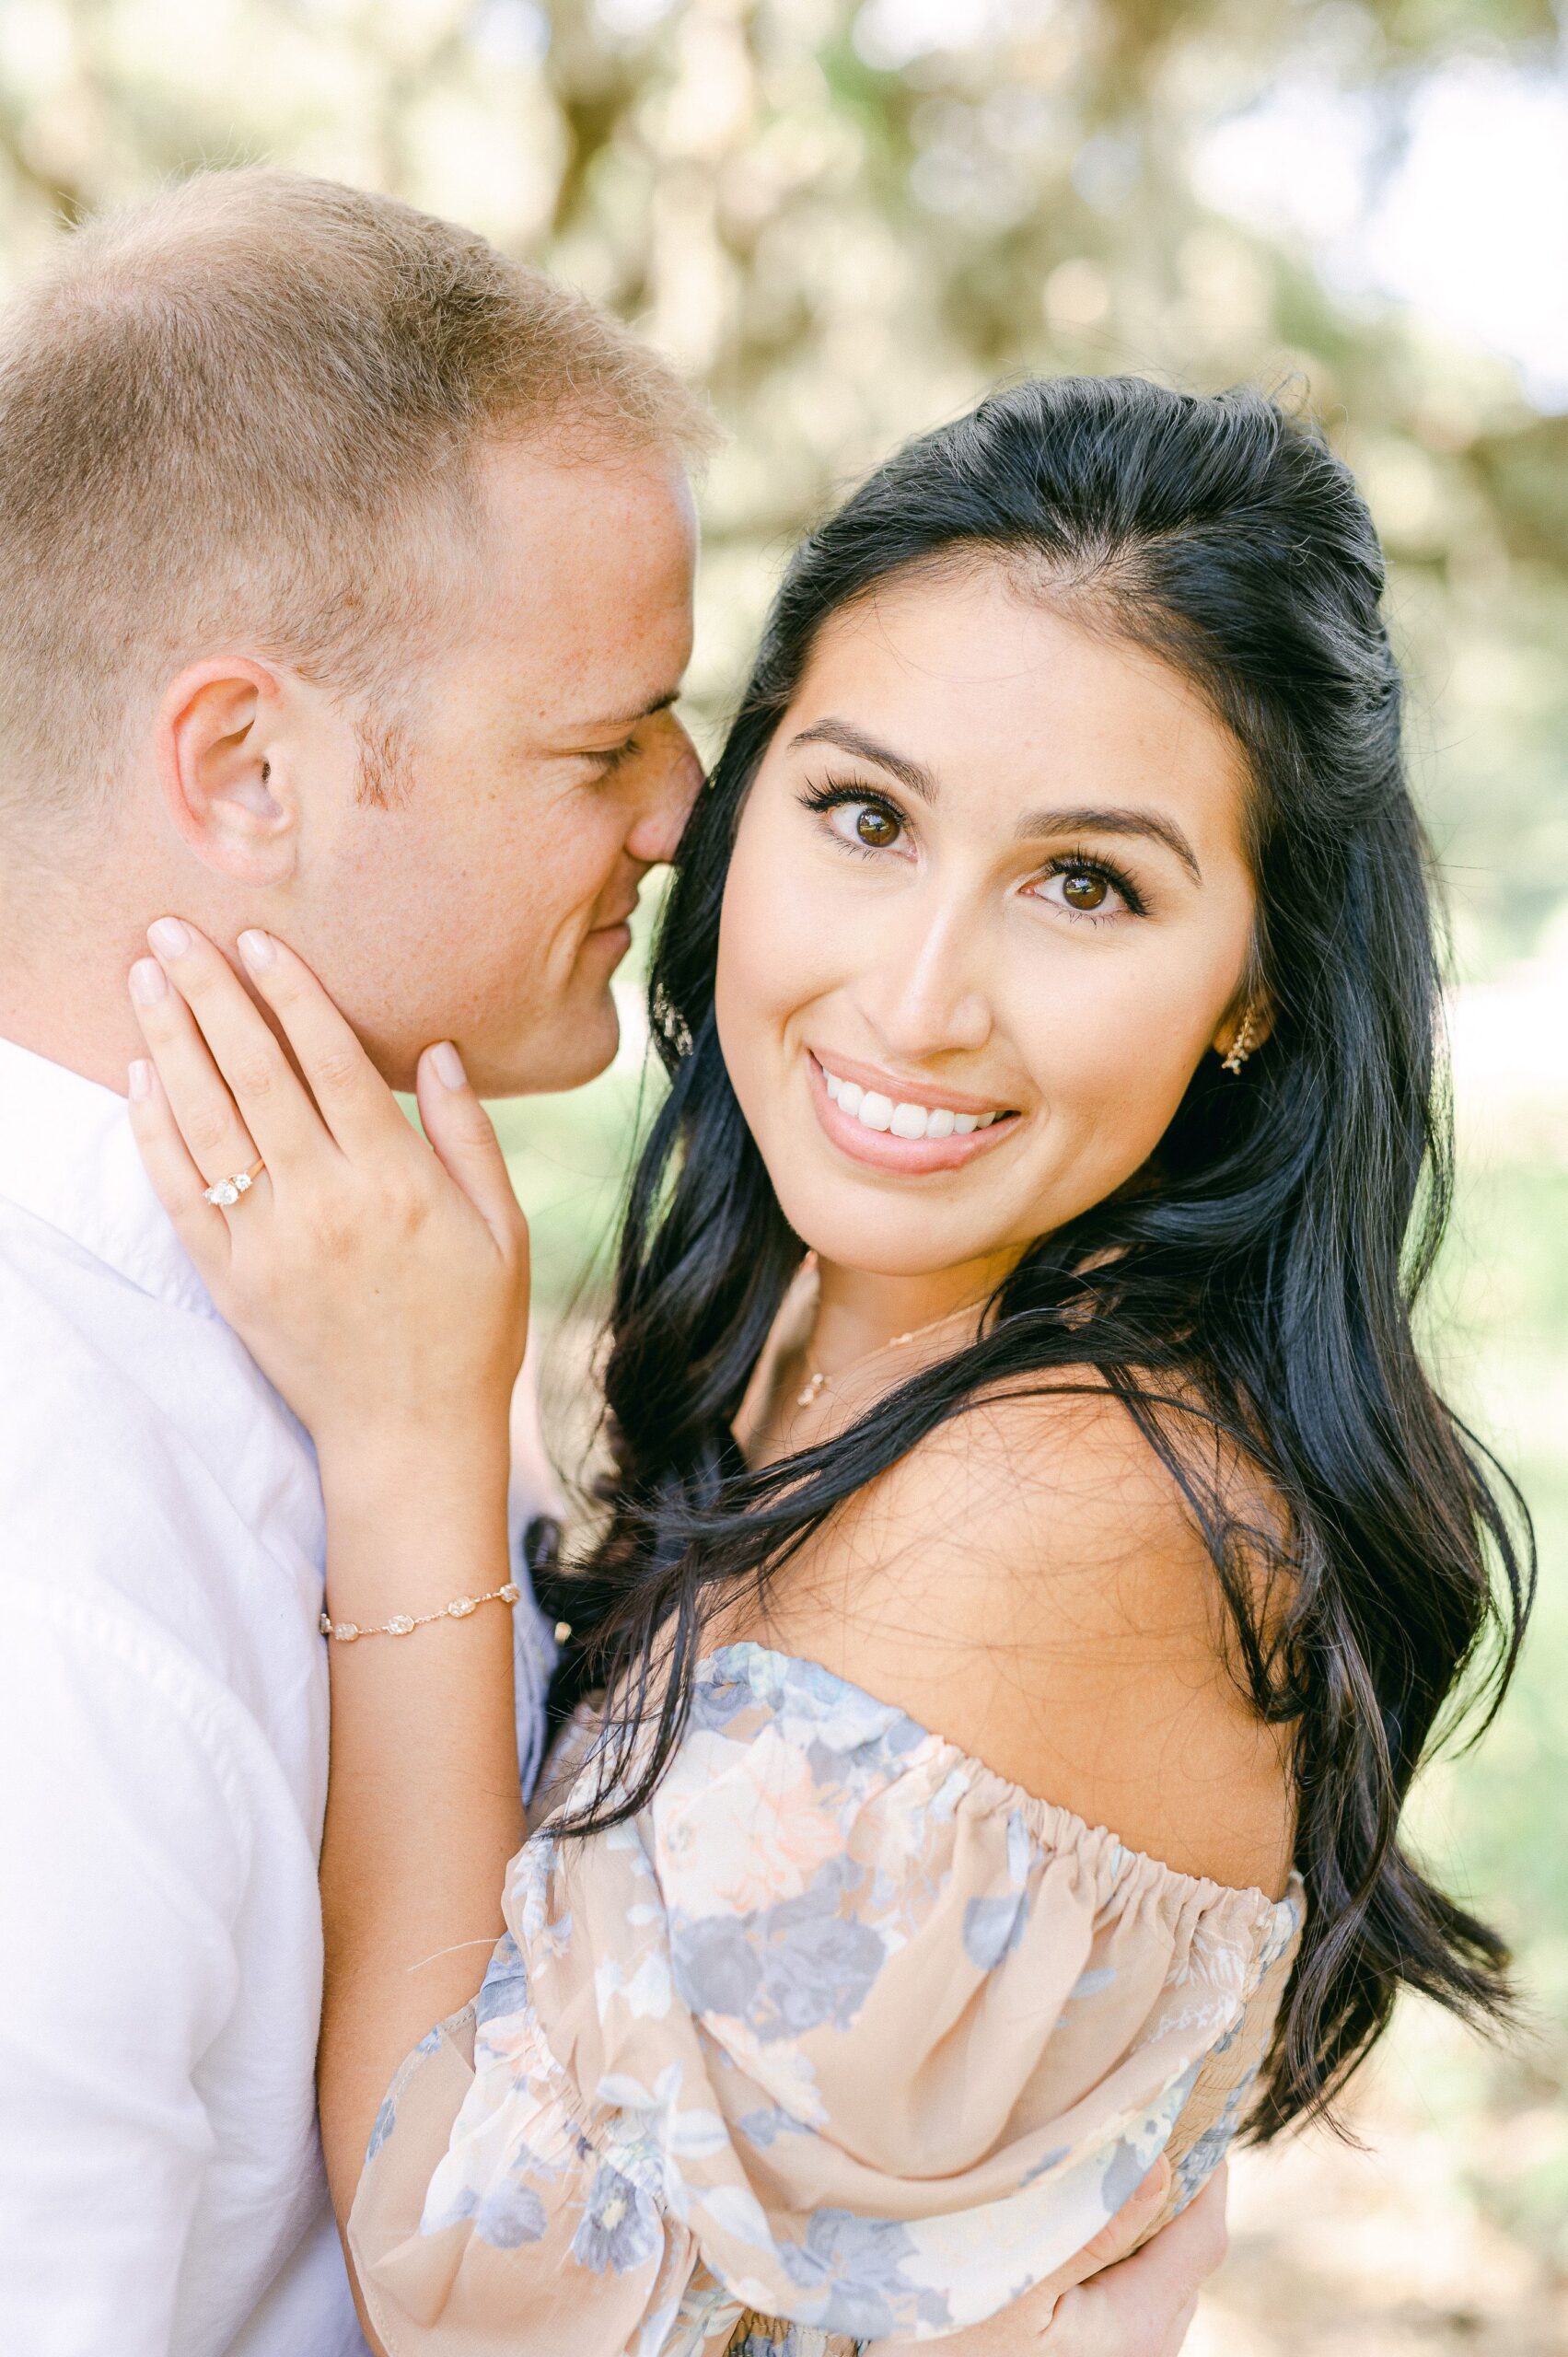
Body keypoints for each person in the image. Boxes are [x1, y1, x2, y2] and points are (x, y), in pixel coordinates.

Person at [122, 377, 1531, 2356]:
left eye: (1086, 882)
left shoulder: (1065, 1505)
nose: (916, 993)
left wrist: (410, 1434)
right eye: (865, 816)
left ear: (1258, 985)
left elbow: (466, 2267)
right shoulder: (823, 1343)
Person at [0, 174, 1216, 2357]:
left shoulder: (345, 1299)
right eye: (599, 740)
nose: (690, 809)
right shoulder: (53, 1580)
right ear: (246, 764)